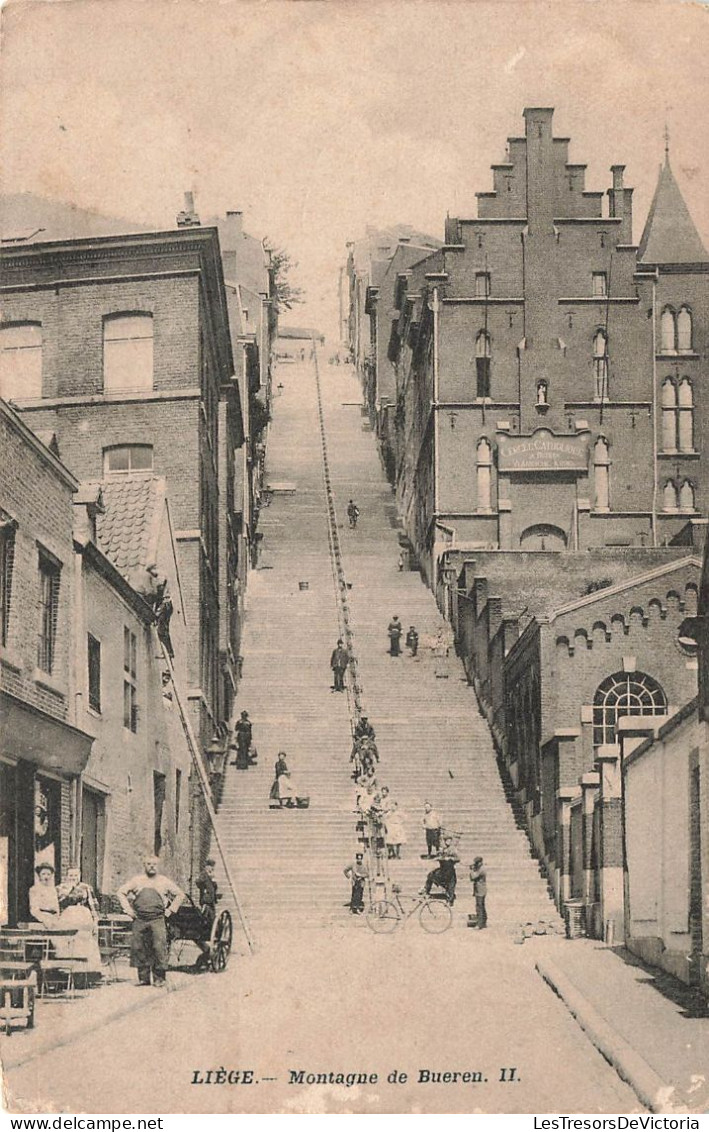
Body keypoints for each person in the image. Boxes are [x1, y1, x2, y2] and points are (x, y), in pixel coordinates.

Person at [117, 856, 185, 987]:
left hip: (157, 919)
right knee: (140, 947)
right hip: (140, 919)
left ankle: (160, 978)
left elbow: (180, 894)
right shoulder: (137, 880)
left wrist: (171, 910)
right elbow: (120, 892)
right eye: (149, 864)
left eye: (154, 864)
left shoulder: (163, 881)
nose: (152, 866)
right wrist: (128, 910)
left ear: (158, 866)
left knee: (159, 947)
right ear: (144, 865)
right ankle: (143, 978)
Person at [56, 866, 102, 972]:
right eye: (71, 875)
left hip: (83, 918)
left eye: (75, 875)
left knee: (84, 943)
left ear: (79, 875)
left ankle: (86, 971)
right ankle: (68, 970)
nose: (73, 878)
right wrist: (70, 890)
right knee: (68, 942)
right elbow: (59, 905)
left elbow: (93, 905)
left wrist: (95, 921)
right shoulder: (60, 888)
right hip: (67, 918)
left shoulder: (86, 888)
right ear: (66, 876)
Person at [194, 858, 219, 968]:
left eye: (212, 867)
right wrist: (207, 876)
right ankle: (208, 930)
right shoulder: (204, 875)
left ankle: (211, 930)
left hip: (211, 902)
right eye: (209, 866)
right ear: (206, 866)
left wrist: (213, 881)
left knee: (212, 918)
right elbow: (198, 882)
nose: (211, 868)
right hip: (205, 902)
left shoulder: (210, 876)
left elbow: (214, 888)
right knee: (208, 917)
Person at [424, 836, 460, 905]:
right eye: (446, 841)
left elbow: (458, 858)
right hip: (442, 869)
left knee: (451, 884)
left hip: (450, 870)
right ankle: (426, 891)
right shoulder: (443, 849)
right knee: (431, 875)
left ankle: (450, 900)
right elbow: (439, 856)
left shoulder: (453, 849)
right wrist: (438, 857)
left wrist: (450, 859)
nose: (448, 842)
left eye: (449, 841)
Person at [29, 862, 60, 927]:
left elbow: (56, 907)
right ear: (39, 875)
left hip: (53, 919)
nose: (46, 877)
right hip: (41, 919)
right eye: (43, 874)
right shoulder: (35, 889)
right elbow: (34, 909)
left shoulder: (53, 889)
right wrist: (44, 919)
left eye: (48, 874)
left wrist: (56, 918)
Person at [470, 856, 487, 929]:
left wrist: (472, 870)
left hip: (480, 890)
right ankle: (484, 921)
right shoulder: (480, 868)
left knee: (479, 907)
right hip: (479, 889)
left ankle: (480, 924)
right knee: (481, 906)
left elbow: (473, 877)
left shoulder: (481, 869)